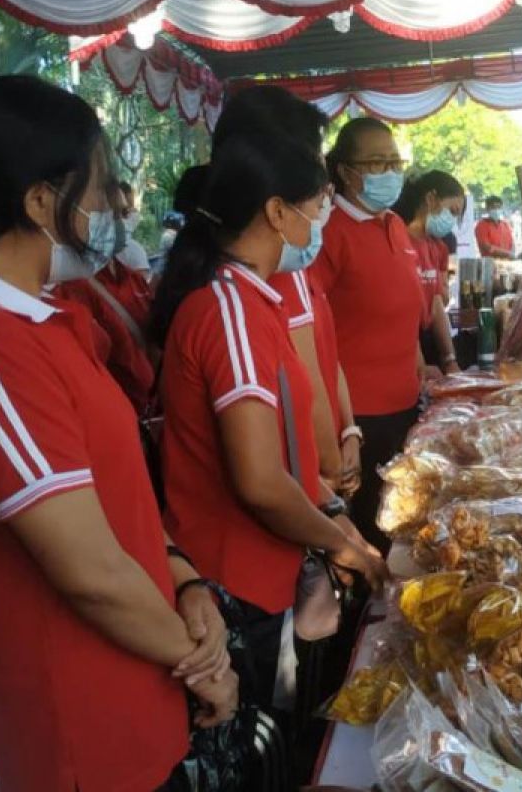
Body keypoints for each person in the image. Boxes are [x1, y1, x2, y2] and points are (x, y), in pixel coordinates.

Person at [0, 74, 236, 792]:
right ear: (42, 201)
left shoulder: (43, 316)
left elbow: (115, 488)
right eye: (100, 191)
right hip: (68, 735)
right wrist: (206, 667)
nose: (113, 210)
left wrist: (187, 581)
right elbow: (88, 572)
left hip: (134, 701)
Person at [148, 131, 389, 710]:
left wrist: (338, 522)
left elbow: (284, 452)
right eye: (316, 205)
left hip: (267, 566)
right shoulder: (229, 311)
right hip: (239, 581)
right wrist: (343, 544)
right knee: (266, 732)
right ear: (278, 212)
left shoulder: (253, 301)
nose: (321, 221)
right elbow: (258, 480)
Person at [209, 84, 363, 502]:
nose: (322, 177)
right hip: (306, 487)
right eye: (314, 158)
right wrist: (330, 475)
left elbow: (327, 359)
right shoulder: (254, 279)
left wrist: (349, 428)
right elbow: (304, 383)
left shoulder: (293, 258)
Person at [319, 117, 426, 554]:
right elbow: (310, 333)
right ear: (346, 171)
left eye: (394, 162)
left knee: (402, 525)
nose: (390, 172)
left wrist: (421, 358)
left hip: (405, 405)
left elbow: (406, 305)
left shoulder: (395, 226)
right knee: (368, 535)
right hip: (358, 419)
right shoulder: (327, 233)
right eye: (377, 162)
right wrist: (342, 427)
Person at [52, 176, 157, 415]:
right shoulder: (71, 289)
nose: (122, 223)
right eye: (112, 214)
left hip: (147, 411)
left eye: (124, 213)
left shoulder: (134, 278)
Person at [393, 170, 464, 375]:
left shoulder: (437, 247)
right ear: (431, 199)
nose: (452, 221)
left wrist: (449, 359)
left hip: (424, 340)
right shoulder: (397, 241)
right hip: (402, 344)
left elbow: (436, 304)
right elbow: (400, 312)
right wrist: (419, 364)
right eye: (452, 210)